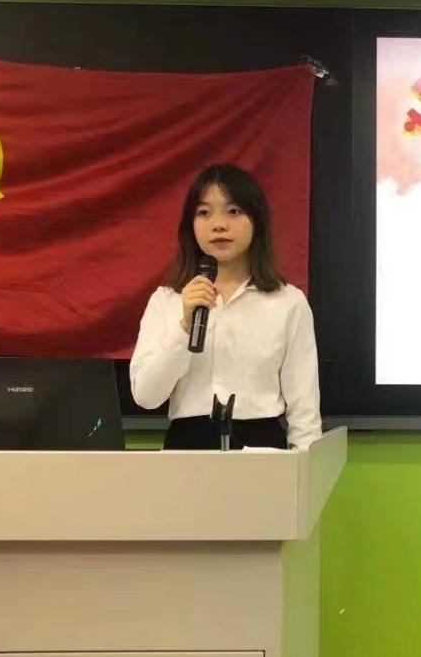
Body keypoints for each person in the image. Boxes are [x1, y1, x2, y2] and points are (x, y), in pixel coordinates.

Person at [129, 163, 321, 450]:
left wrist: (304, 468)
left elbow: (304, 406)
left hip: (261, 447)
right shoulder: (166, 300)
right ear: (190, 225)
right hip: (187, 448)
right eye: (204, 213)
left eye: (233, 211)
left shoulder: (288, 302)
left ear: (256, 220)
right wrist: (184, 328)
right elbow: (146, 396)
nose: (218, 224)